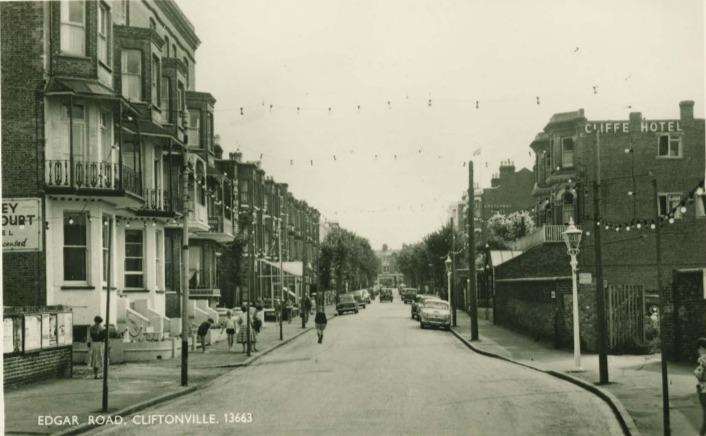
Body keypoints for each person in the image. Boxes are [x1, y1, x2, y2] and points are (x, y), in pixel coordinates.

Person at [695, 337, 706, 436]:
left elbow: (699, 375)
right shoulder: (702, 359)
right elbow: (700, 375)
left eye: (699, 348)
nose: (698, 351)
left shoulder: (702, 359)